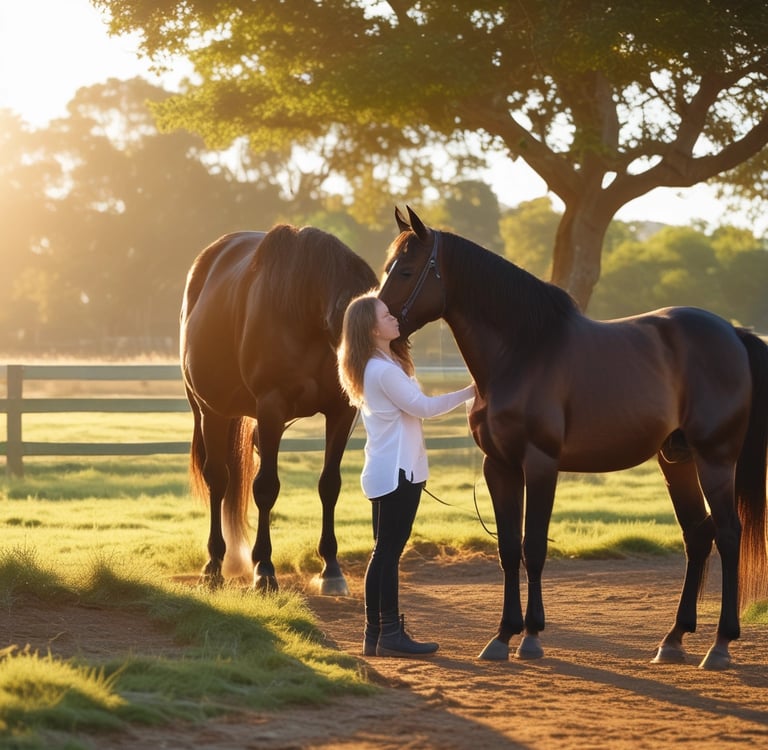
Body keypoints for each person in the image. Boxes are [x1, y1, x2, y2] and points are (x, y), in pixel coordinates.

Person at [337, 292, 475, 657]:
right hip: (397, 471)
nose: (394, 317)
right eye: (386, 315)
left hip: (389, 469)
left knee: (384, 552)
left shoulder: (379, 365)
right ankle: (390, 633)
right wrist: (472, 390)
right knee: (387, 553)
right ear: (371, 328)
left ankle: (377, 633)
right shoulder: (382, 370)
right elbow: (424, 408)